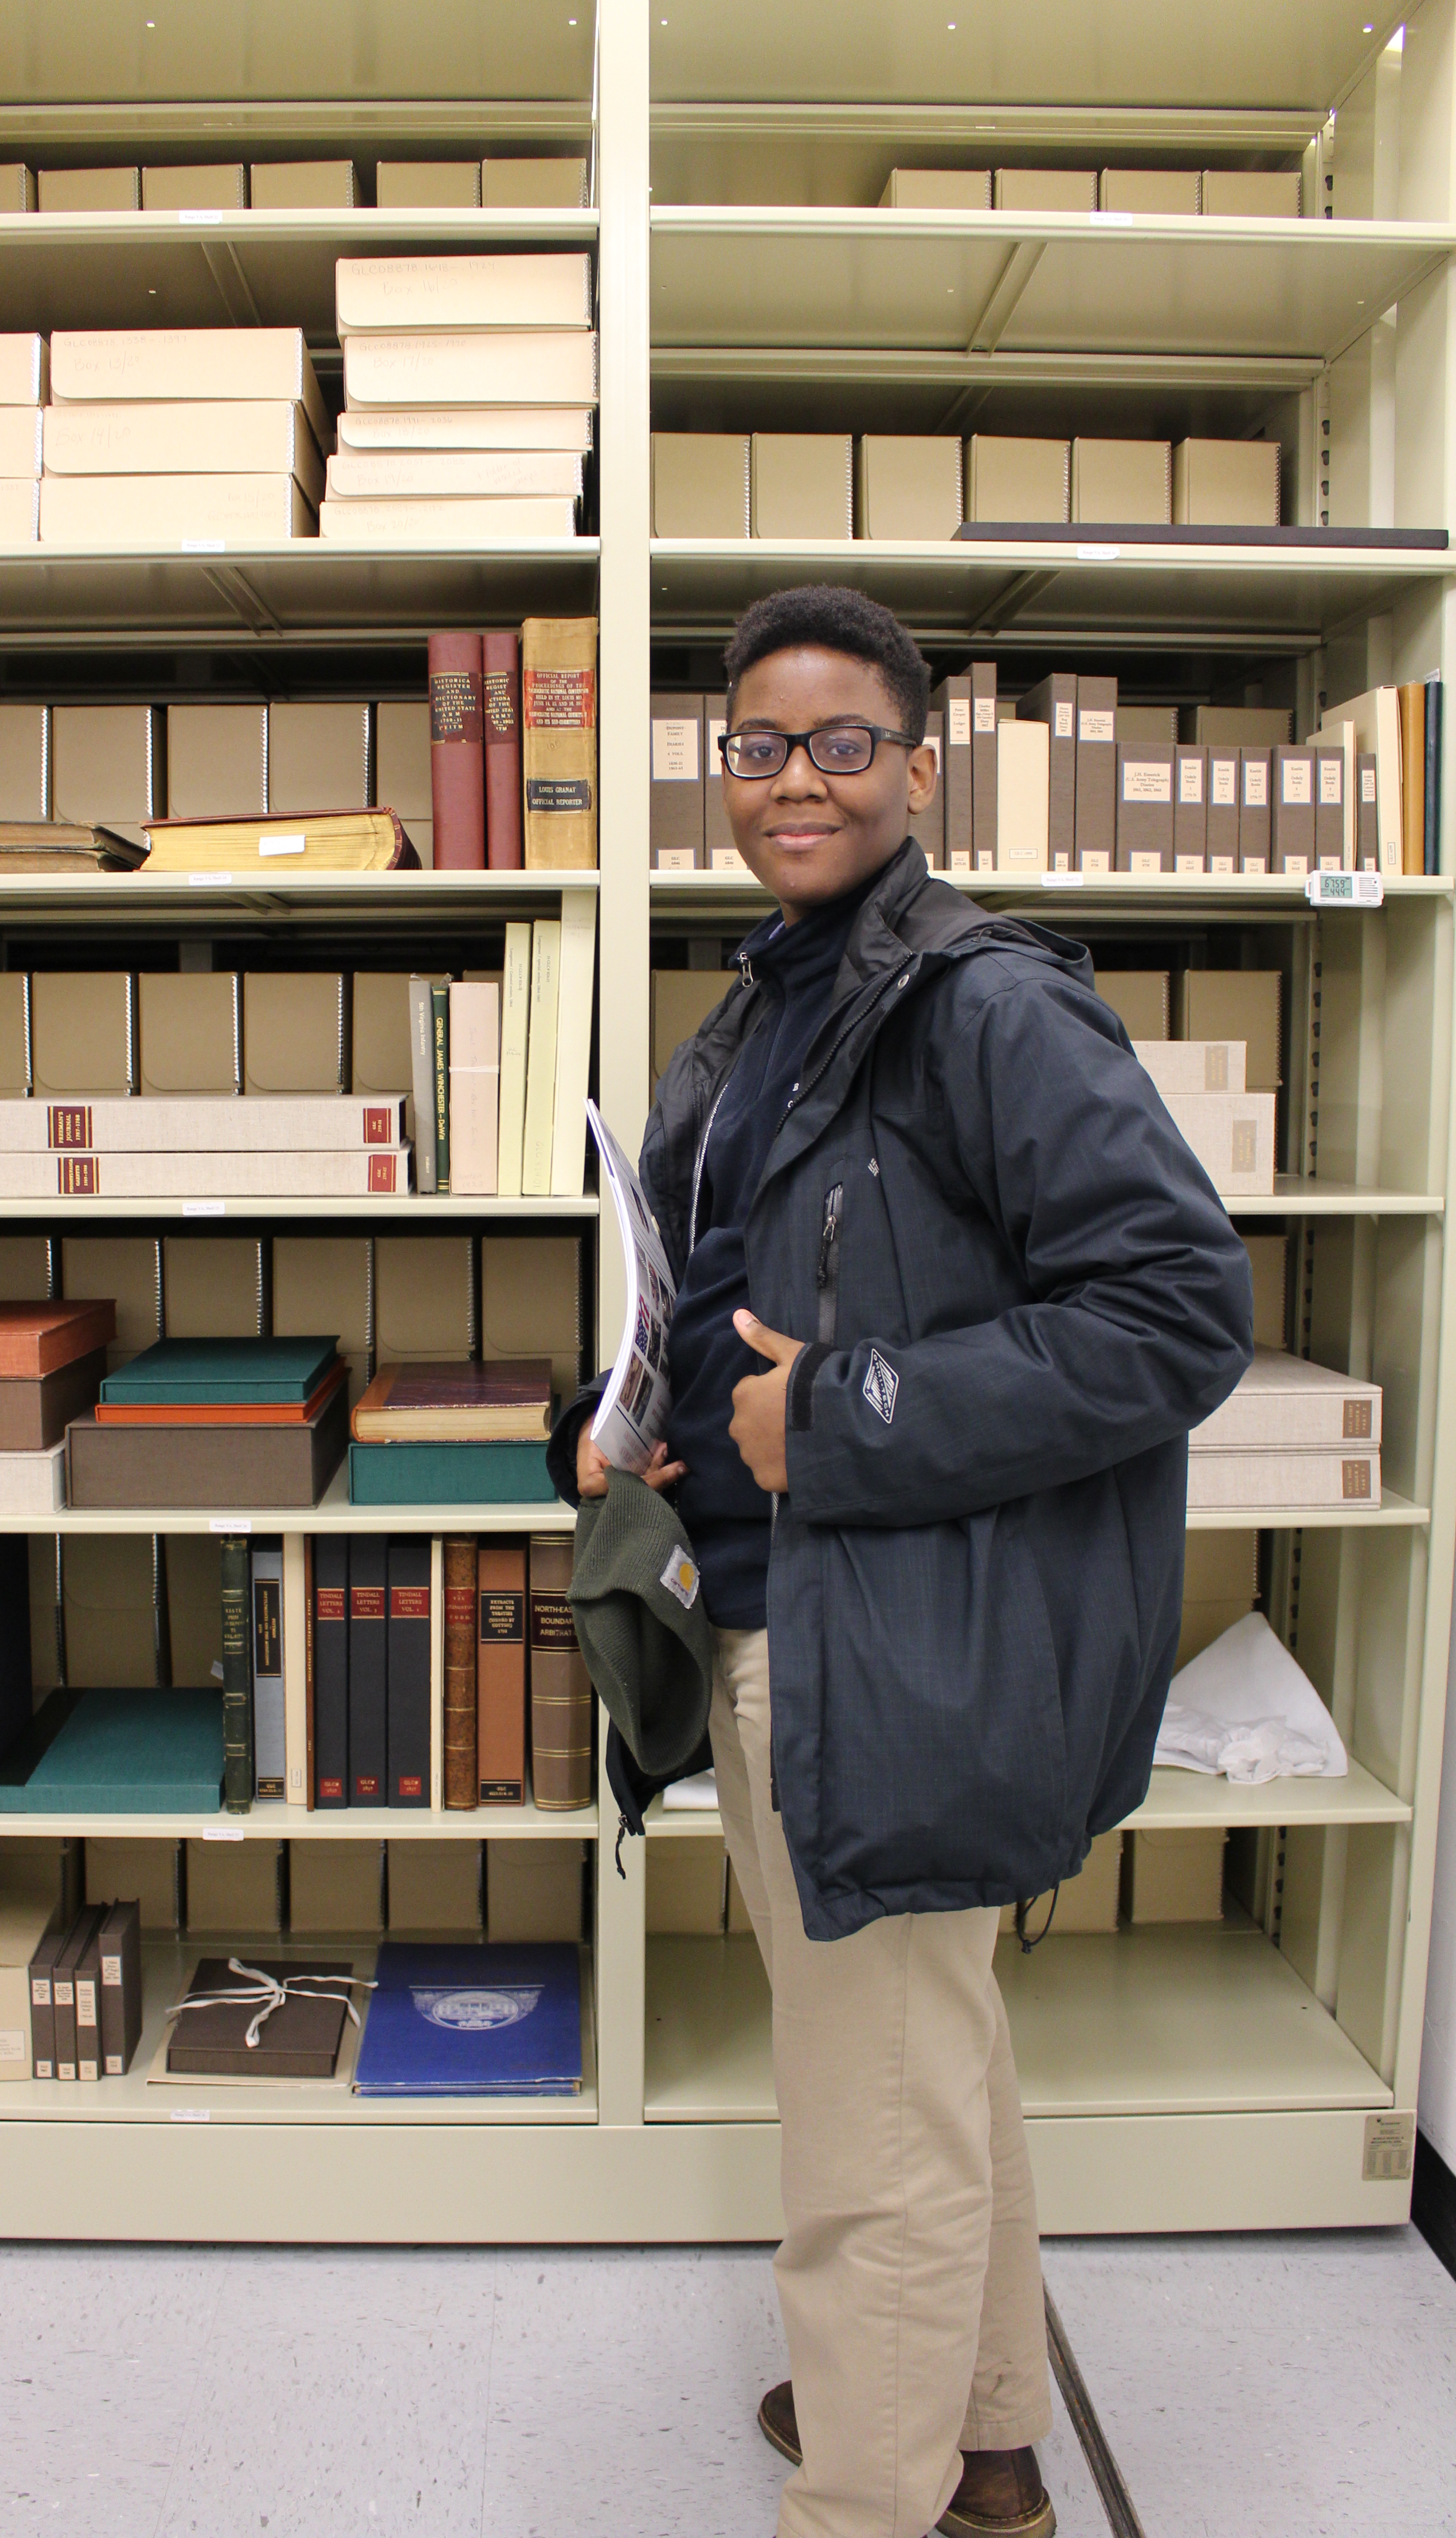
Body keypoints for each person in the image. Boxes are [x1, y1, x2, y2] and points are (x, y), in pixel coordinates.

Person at [547, 586, 1254, 2538]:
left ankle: (871, 2501)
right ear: (722, 773)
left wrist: (843, 1412)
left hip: (890, 1645)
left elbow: (1180, 1315)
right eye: (760, 745)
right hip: (793, 1606)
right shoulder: (781, 994)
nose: (798, 778)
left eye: (843, 742)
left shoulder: (987, 1006)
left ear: (920, 768)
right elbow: (717, 1280)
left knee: (869, 2140)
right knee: (930, 2064)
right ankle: (996, 2440)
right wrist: (625, 1420)